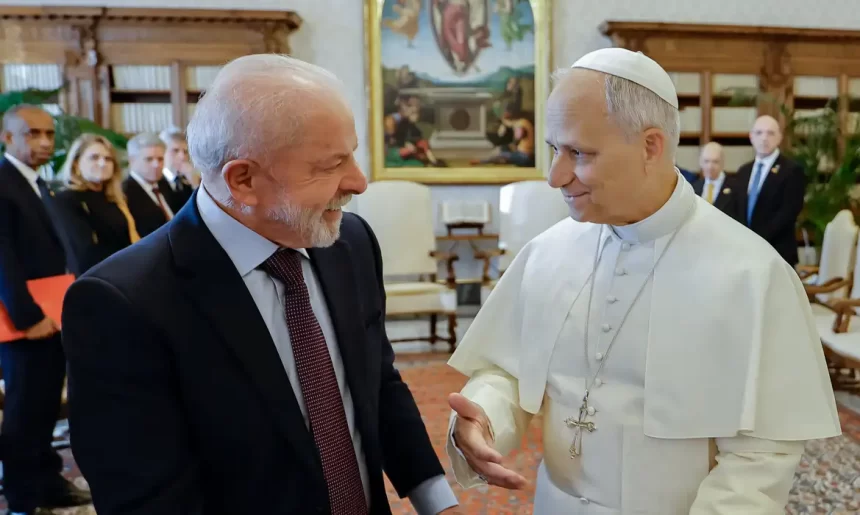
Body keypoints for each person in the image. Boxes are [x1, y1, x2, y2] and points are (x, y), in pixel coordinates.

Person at [445, 48, 841, 514]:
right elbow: (510, 371)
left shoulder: (752, 273)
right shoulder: (548, 252)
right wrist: (484, 418)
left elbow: (759, 459)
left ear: (651, 146)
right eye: (554, 149)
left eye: (578, 153)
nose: (555, 176)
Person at [61, 55, 460, 515]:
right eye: (331, 164)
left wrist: (435, 500)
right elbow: (149, 498)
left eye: (351, 153)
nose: (358, 181)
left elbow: (377, 382)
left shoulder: (349, 242)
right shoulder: (121, 303)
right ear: (243, 180)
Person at [0, 105, 91, 514]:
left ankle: (48, 482)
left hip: (52, 312)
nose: (44, 142)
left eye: (49, 134)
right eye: (33, 134)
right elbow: (2, 257)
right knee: (24, 410)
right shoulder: (3, 183)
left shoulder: (40, 184)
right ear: (8, 138)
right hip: (25, 319)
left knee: (45, 405)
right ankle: (23, 497)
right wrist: (28, 317)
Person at [51, 134, 140, 276]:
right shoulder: (66, 199)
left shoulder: (115, 198)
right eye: (94, 157)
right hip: (95, 277)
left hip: (126, 273)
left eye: (108, 159)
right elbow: (83, 252)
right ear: (76, 164)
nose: (103, 163)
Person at [736, 115, 806, 266]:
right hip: (745, 253)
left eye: (770, 133)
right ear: (751, 137)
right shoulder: (743, 171)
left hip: (777, 254)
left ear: (779, 138)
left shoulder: (791, 170)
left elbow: (788, 212)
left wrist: (757, 240)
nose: (764, 138)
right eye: (759, 133)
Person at [121, 132, 173, 237]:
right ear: (132, 161)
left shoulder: (163, 183)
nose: (156, 165)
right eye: (149, 159)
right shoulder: (125, 192)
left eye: (160, 159)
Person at [691, 141, 741, 221]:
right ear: (700, 162)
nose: (710, 166)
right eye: (706, 161)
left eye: (715, 162)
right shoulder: (694, 187)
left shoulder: (736, 188)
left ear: (722, 163)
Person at [159, 126, 199, 211]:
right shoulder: (156, 181)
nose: (182, 157)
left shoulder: (189, 179)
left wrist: (195, 184)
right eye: (175, 150)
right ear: (162, 152)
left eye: (185, 152)